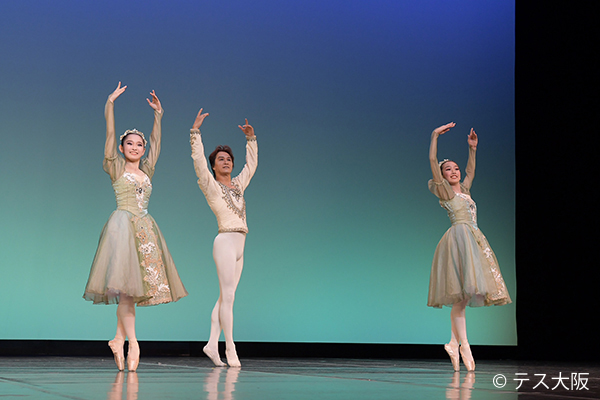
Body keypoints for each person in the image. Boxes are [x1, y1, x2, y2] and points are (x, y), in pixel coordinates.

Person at [83, 82, 188, 372]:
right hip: (122, 229)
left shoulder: (147, 170)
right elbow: (109, 135)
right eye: (129, 143)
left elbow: (157, 143)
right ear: (121, 148)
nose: (135, 147)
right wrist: (110, 103)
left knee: (129, 293)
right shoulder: (115, 166)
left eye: (139, 145)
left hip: (145, 231)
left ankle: (118, 339)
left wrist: (158, 115)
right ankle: (134, 343)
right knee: (127, 292)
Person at [427, 122, 511, 372]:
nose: (453, 172)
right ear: (442, 176)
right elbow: (432, 160)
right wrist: (434, 136)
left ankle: (454, 344)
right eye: (448, 169)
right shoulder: (446, 193)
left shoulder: (464, 190)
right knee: (462, 297)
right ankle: (465, 345)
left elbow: (470, 172)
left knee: (463, 298)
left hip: (474, 239)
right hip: (459, 240)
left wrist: (472, 149)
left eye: (455, 168)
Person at [189, 108, 257, 367]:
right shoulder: (211, 186)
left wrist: (251, 139)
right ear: (214, 165)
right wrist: (195, 132)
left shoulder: (238, 185)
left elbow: (252, 166)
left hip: (240, 245)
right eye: (221, 159)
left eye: (229, 159)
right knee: (228, 297)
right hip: (225, 242)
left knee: (225, 297)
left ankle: (211, 343)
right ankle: (230, 348)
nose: (226, 162)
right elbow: (198, 162)